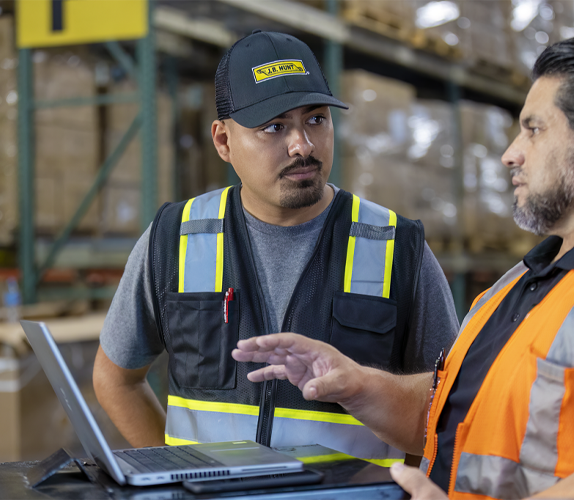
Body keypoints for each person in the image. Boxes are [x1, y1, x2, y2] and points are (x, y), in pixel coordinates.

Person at [231, 34, 574, 500]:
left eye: (534, 130)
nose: (510, 154)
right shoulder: (527, 282)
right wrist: (358, 384)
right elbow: (459, 419)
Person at [92, 30, 459, 465]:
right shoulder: (176, 238)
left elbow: (450, 403)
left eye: (316, 119)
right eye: (274, 126)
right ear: (223, 141)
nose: (302, 145)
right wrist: (175, 475)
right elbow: (115, 378)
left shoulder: (396, 246)